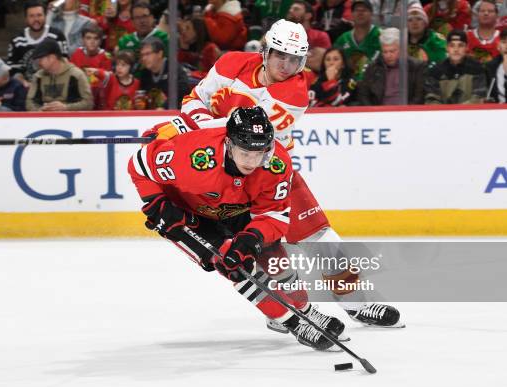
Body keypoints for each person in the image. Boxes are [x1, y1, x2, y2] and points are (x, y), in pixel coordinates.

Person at [150, 19, 403, 340]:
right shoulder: (230, 64)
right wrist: (192, 119)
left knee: (323, 241)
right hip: (223, 175)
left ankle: (354, 302)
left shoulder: (294, 93)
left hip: (269, 172)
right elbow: (196, 99)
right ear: (265, 52)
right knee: (267, 251)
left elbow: (241, 132)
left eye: (295, 60)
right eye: (281, 56)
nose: (287, 66)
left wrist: (188, 127)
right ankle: (287, 311)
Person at [129, 107, 340, 351]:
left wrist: (252, 238)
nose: (253, 161)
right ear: (228, 144)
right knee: (235, 266)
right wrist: (156, 203)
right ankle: (295, 324)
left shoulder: (276, 164)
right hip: (188, 213)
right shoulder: (193, 158)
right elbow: (138, 164)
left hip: (237, 206)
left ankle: (306, 311)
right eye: (245, 153)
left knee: (271, 253)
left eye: (260, 152)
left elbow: (273, 214)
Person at [358, 27, 425, 105]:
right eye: (385, 52)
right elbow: (363, 95)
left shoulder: (417, 66)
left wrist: (406, 112)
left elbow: (419, 97)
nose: (388, 55)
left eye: (392, 51)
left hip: (406, 113)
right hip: (379, 113)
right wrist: (373, 112)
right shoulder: (373, 67)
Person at [7, 0, 68, 85]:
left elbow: (64, 63)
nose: (36, 19)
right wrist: (24, 83)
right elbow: (13, 69)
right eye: (31, 16)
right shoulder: (17, 40)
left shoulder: (56, 36)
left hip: (53, 85)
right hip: (25, 88)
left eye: (39, 15)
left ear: (45, 16)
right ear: (26, 18)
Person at [26, 39, 94, 111]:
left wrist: (66, 107)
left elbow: (89, 103)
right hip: (44, 120)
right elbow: (29, 102)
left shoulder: (76, 75)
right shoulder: (38, 77)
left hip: (70, 120)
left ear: (52, 58)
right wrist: (40, 110)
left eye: (40, 59)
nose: (39, 63)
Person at [424, 30, 488, 104]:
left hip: (470, 114)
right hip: (442, 115)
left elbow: (479, 97)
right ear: (447, 48)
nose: (456, 49)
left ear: (466, 48)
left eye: (460, 45)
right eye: (452, 45)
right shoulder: (436, 71)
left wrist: (457, 112)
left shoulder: (477, 68)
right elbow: (431, 99)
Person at [334, 0, 382, 81]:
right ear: (352, 14)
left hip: (373, 85)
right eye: (357, 10)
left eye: (364, 10)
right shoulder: (343, 39)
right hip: (347, 85)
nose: (360, 13)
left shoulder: (381, 35)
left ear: (371, 14)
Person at [138, 37, 189, 109]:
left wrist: (165, 107)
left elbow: (183, 91)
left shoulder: (173, 69)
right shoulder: (145, 74)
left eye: (147, 54)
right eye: (142, 55)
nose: (144, 58)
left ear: (159, 54)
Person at [407, 3, 448, 68]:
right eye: (410, 20)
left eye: (419, 19)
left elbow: (443, 64)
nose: (414, 23)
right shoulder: (400, 41)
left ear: (425, 23)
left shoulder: (436, 40)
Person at [485, 28, 507, 102]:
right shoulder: (490, 67)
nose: (506, 46)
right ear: (499, 46)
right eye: (504, 42)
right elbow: (487, 94)